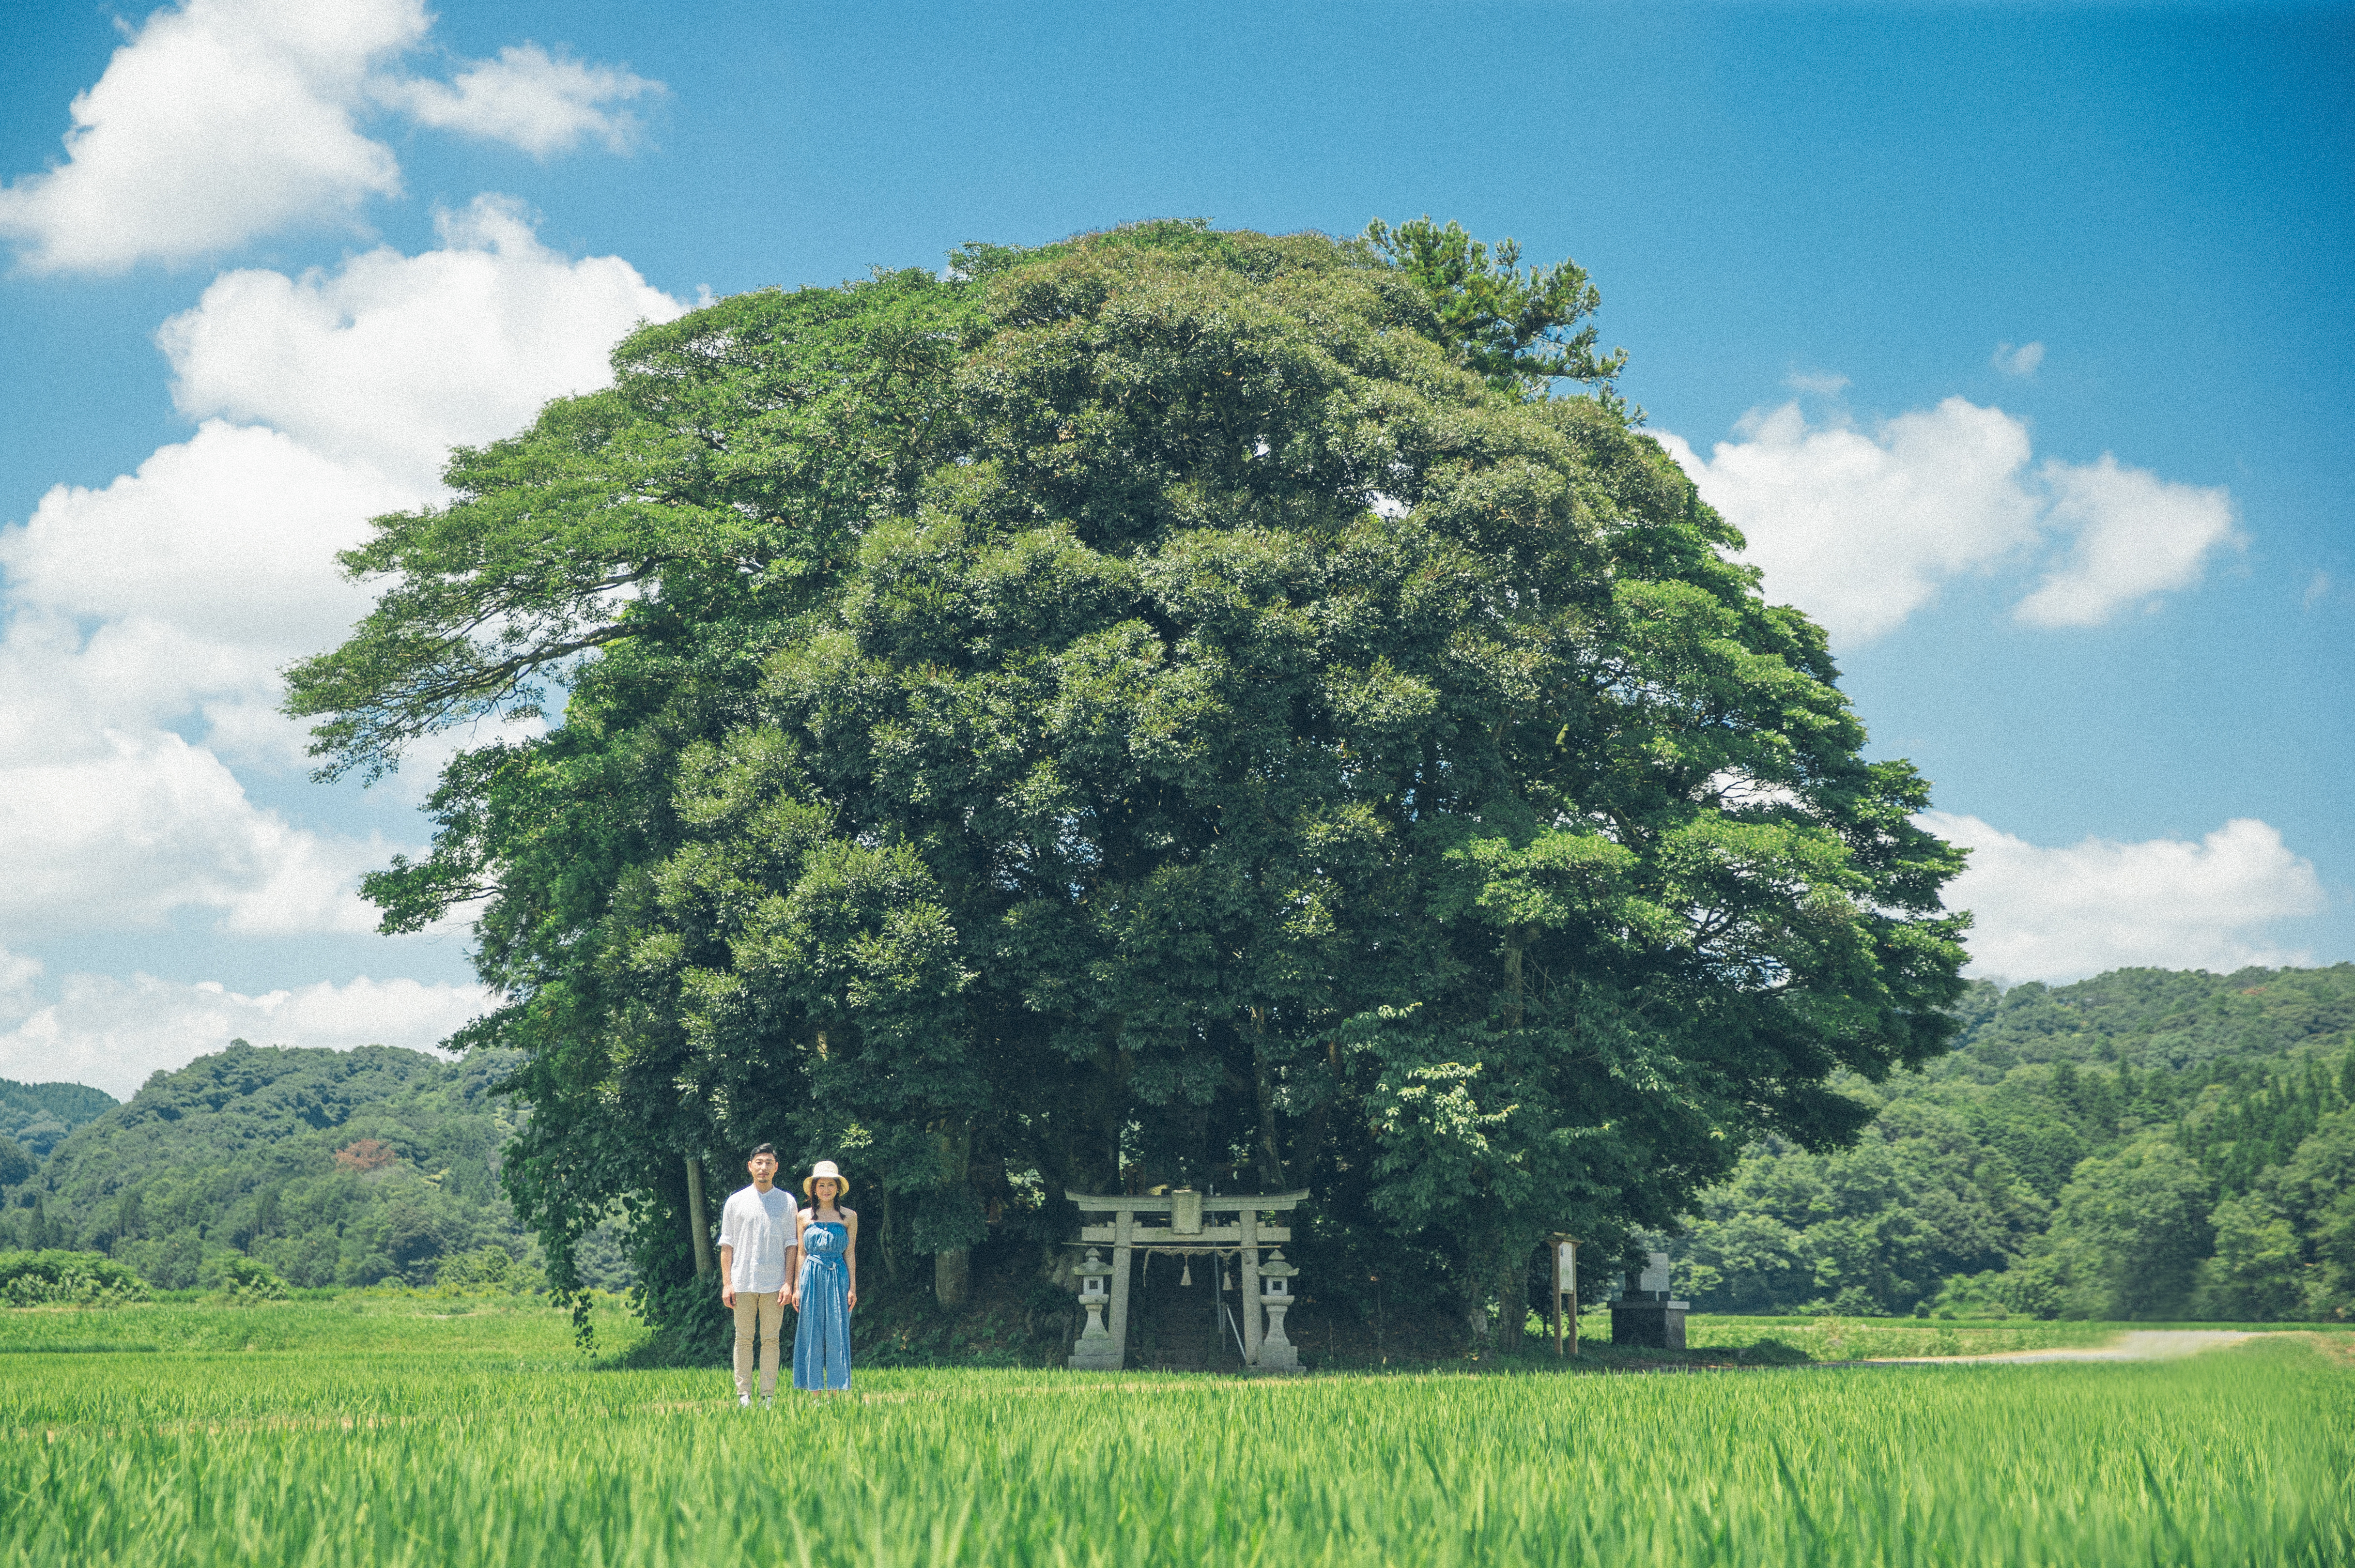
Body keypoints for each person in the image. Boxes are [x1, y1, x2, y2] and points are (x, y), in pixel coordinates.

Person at [718, 1143, 799, 1408]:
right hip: (741, 1281)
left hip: (775, 1283)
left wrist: (789, 1283)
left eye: (769, 1163)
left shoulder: (787, 1201)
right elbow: (727, 1245)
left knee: (771, 1339)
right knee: (743, 1339)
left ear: (776, 1168)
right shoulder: (736, 1201)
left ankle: (768, 1395)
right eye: (759, 1162)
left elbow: (792, 1245)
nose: (764, 1168)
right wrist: (727, 1283)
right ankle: (744, 1395)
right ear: (750, 1167)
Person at [792, 1160, 857, 1392]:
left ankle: (837, 1391)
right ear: (814, 1189)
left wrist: (853, 1288)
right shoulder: (803, 1217)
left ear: (838, 1188)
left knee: (838, 1330)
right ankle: (814, 1391)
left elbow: (850, 1253)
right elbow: (801, 1253)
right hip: (811, 1274)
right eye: (822, 1185)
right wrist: (797, 1287)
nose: (826, 1190)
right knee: (811, 1330)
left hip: (838, 1274)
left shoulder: (849, 1217)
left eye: (831, 1185)